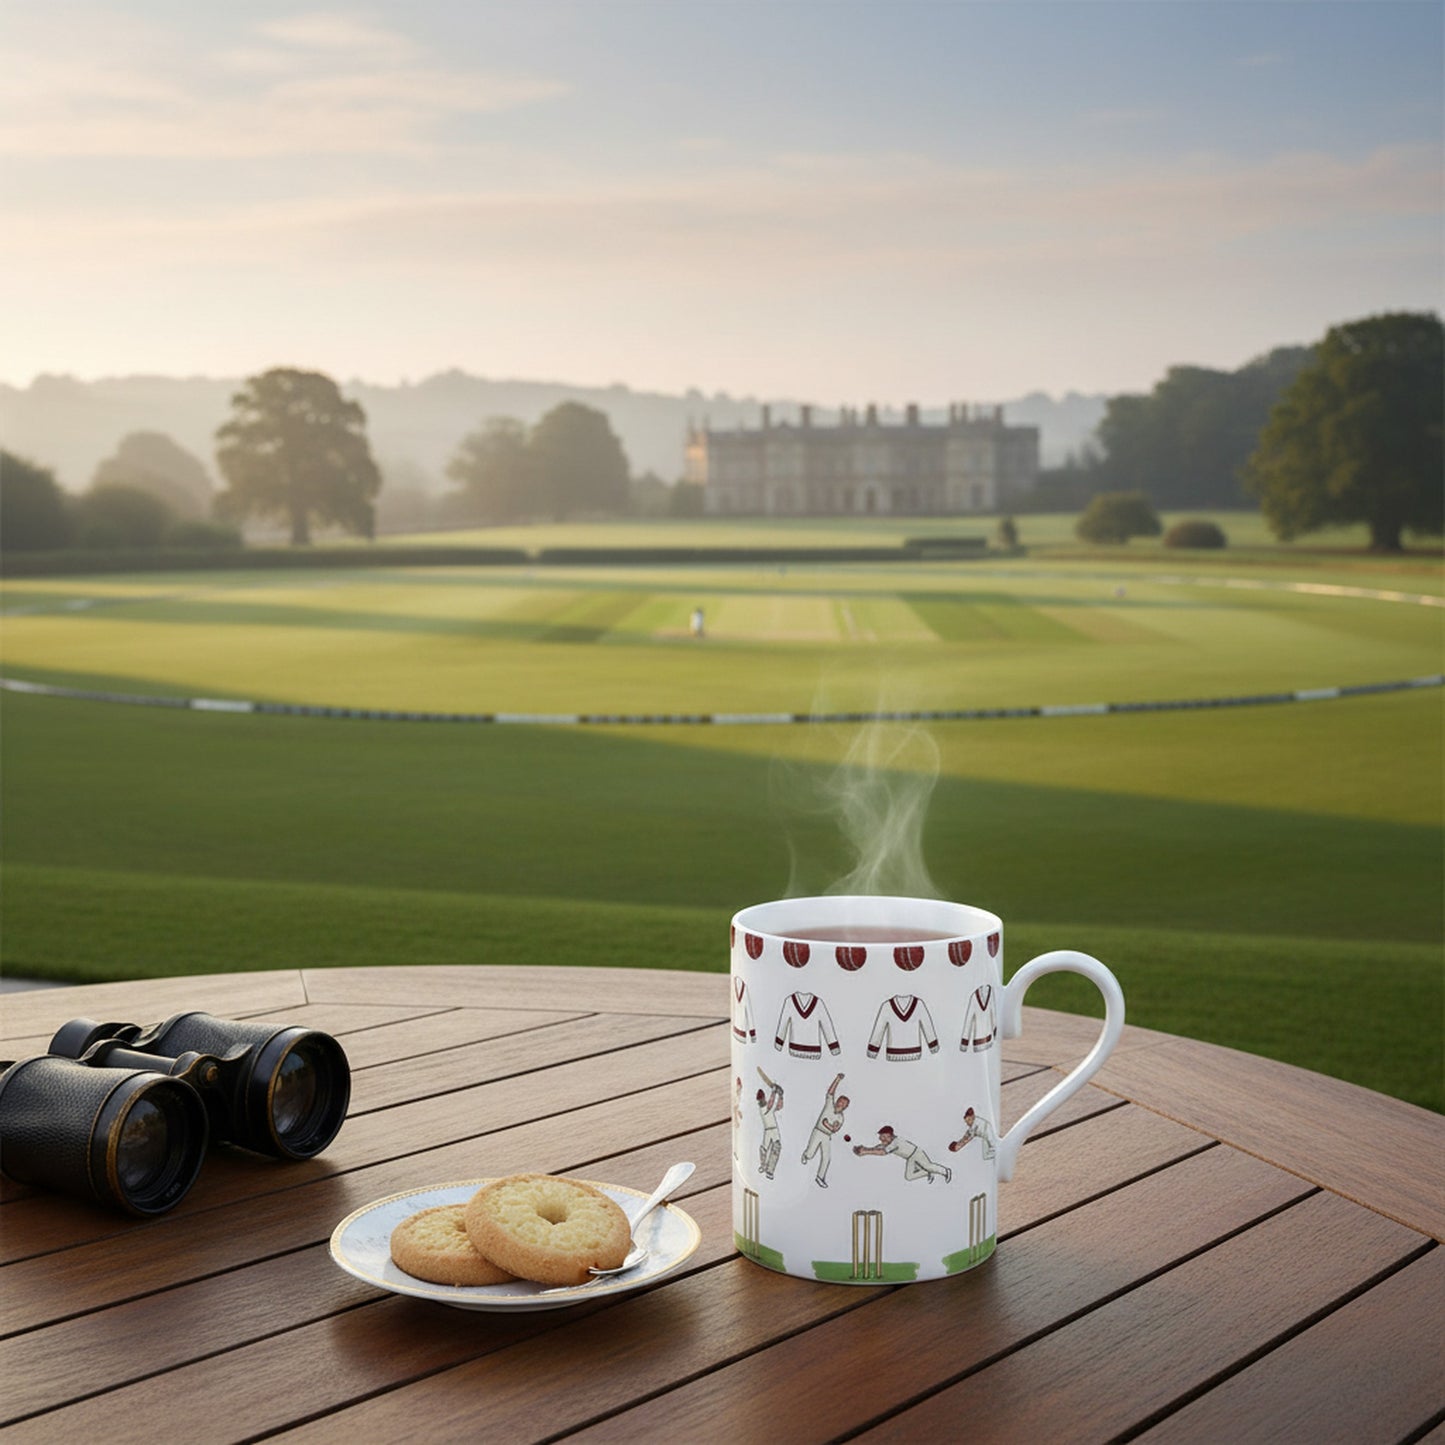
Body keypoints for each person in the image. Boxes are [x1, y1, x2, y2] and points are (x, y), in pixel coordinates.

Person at [853, 1124, 951, 1183]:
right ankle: (928, 1173)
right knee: (909, 1177)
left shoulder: (896, 1142)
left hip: (916, 1153)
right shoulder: (890, 1142)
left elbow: (883, 1152)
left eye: (882, 1136)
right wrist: (866, 1148)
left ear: (888, 1135)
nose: (880, 1139)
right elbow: (880, 1147)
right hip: (911, 1157)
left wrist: (866, 1151)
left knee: (928, 1165)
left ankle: (945, 1171)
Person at [801, 1072, 849, 1187]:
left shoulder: (840, 1117)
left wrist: (828, 1125)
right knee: (811, 1153)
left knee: (826, 1157)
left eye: (843, 1104)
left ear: (845, 1107)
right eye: (840, 1101)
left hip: (827, 1136)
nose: (840, 1104)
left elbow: (834, 1129)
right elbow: (830, 1092)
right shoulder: (829, 1105)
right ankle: (805, 1155)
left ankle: (820, 1177)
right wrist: (837, 1079)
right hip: (818, 1131)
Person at [756, 1076, 784, 1179]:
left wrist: (780, 1096)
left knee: (776, 1148)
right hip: (768, 1130)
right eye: (762, 1099)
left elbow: (779, 1106)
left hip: (774, 1130)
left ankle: (770, 1170)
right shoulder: (763, 1108)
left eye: (763, 1098)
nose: (763, 1100)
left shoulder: (768, 1107)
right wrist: (774, 1091)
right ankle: (763, 1166)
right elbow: (771, 1104)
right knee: (764, 1149)